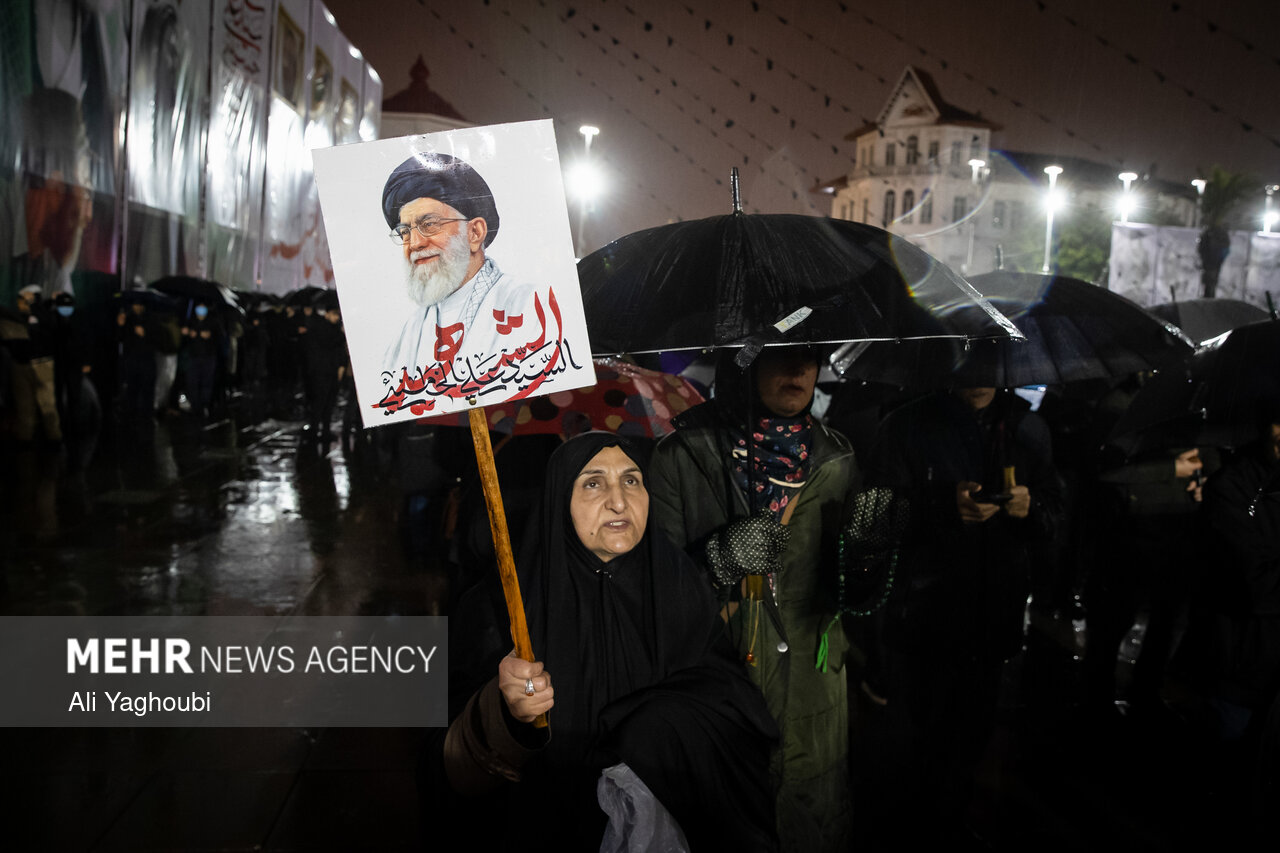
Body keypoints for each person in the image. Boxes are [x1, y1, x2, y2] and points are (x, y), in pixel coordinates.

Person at [429, 432, 778, 851]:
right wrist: (505, 713)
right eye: (593, 483)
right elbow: (442, 761)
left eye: (631, 480)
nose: (618, 501)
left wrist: (655, 733)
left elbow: (736, 708)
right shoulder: (499, 605)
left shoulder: (679, 586)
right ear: (560, 499)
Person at [647, 346, 860, 852]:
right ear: (743, 362)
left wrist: (868, 563)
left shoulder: (838, 457)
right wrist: (716, 561)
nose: (799, 369)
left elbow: (845, 593)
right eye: (781, 354)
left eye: (811, 356)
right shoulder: (682, 456)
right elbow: (652, 592)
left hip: (812, 692)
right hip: (720, 690)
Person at [860, 385, 1064, 844]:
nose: (980, 375)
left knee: (972, 738)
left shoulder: (1028, 429)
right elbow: (871, 516)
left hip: (993, 617)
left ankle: (951, 822)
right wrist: (940, 506)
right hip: (924, 619)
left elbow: (1054, 512)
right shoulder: (907, 426)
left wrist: (1031, 508)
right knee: (916, 746)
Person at [379, 152, 540, 380]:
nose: (414, 243)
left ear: (475, 233)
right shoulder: (409, 332)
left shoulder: (530, 304)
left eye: (429, 224)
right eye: (405, 231)